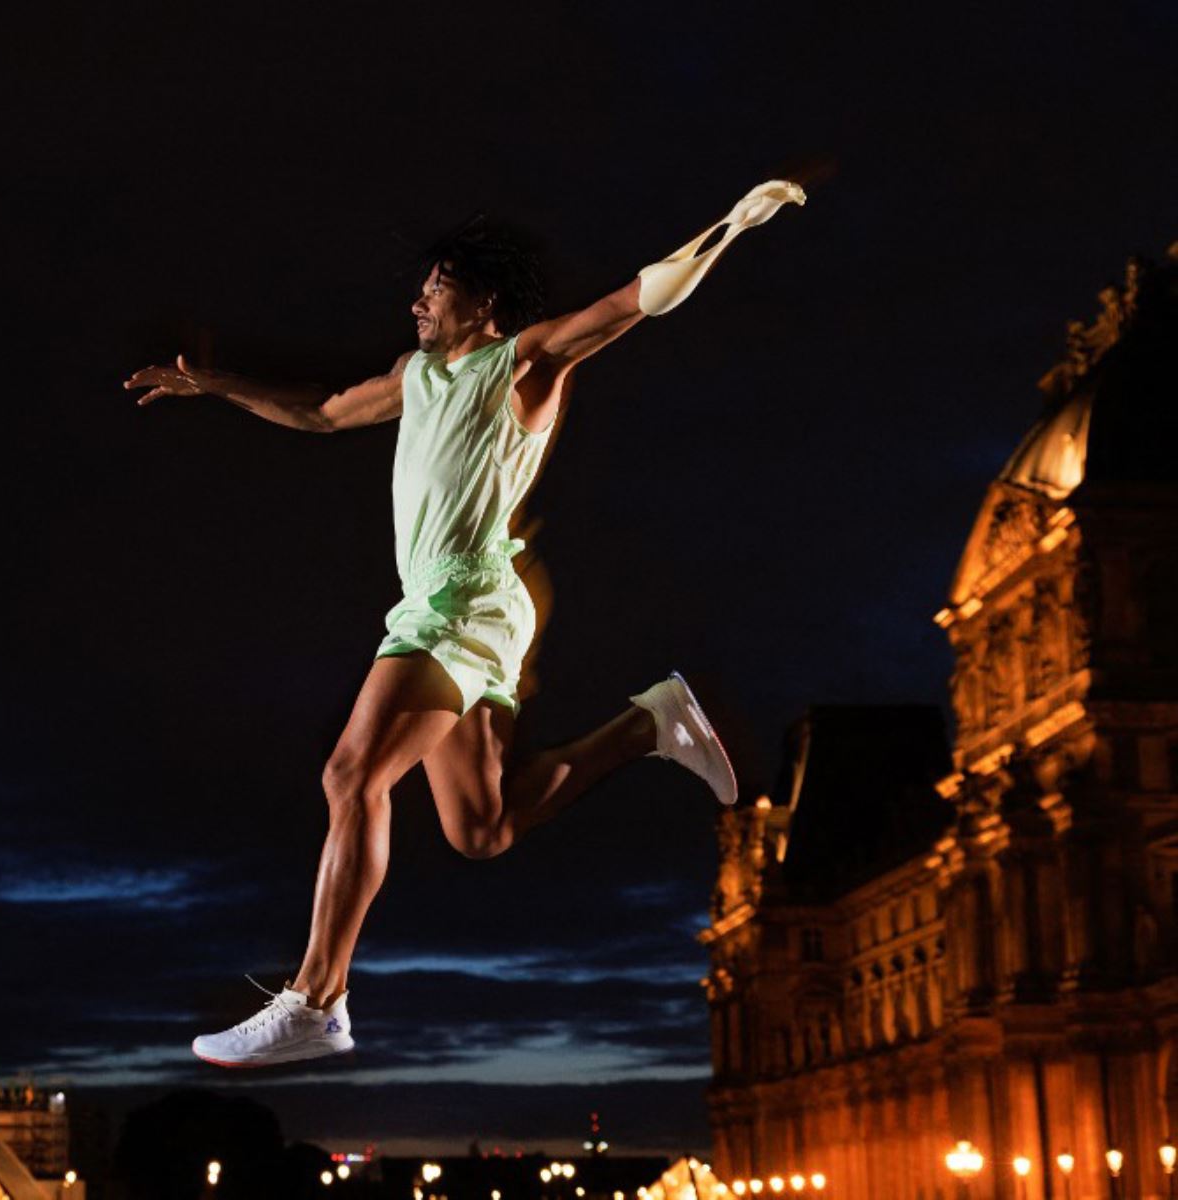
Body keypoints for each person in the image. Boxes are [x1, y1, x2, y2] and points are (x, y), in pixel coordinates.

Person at [123, 180, 806, 1067]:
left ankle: (317, 997)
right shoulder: (416, 377)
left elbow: (626, 304)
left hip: (462, 601)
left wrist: (730, 225)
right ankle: (650, 723)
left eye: (436, 285)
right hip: (466, 612)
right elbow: (323, 413)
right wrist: (214, 385)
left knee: (349, 775)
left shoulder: (518, 364)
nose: (416, 300)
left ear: (481, 300)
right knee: (481, 829)